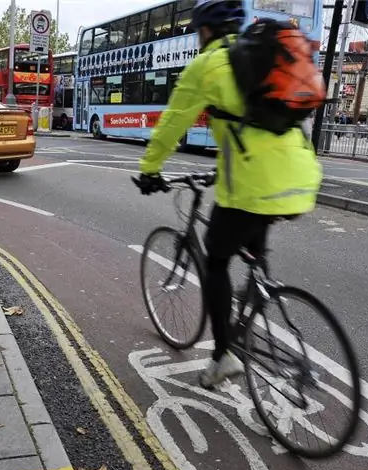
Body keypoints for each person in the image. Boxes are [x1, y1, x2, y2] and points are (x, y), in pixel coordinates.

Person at [132, 0, 322, 388]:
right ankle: (257, 297)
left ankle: (223, 358)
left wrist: (150, 169)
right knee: (253, 250)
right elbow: (253, 128)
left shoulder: (208, 65)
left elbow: (172, 124)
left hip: (253, 187)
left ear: (204, 31)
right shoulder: (262, 58)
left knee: (216, 260)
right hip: (300, 177)